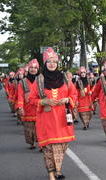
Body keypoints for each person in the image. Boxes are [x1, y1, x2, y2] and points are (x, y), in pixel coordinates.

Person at [29, 48, 77, 180]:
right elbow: (32, 99)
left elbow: (73, 94)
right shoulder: (39, 80)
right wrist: (44, 101)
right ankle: (52, 173)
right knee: (49, 148)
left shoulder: (65, 78)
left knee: (62, 146)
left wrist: (68, 99)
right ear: (45, 64)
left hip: (63, 119)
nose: (52, 64)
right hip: (47, 120)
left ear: (57, 63)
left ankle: (58, 170)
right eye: (49, 62)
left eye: (54, 61)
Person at [16, 59, 39, 149]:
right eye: (31, 68)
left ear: (37, 69)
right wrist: (20, 107)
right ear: (28, 69)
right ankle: (32, 143)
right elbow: (20, 96)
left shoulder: (41, 80)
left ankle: (41, 144)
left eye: (35, 68)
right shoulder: (22, 82)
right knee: (29, 129)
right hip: (27, 108)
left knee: (40, 128)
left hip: (39, 108)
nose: (33, 69)